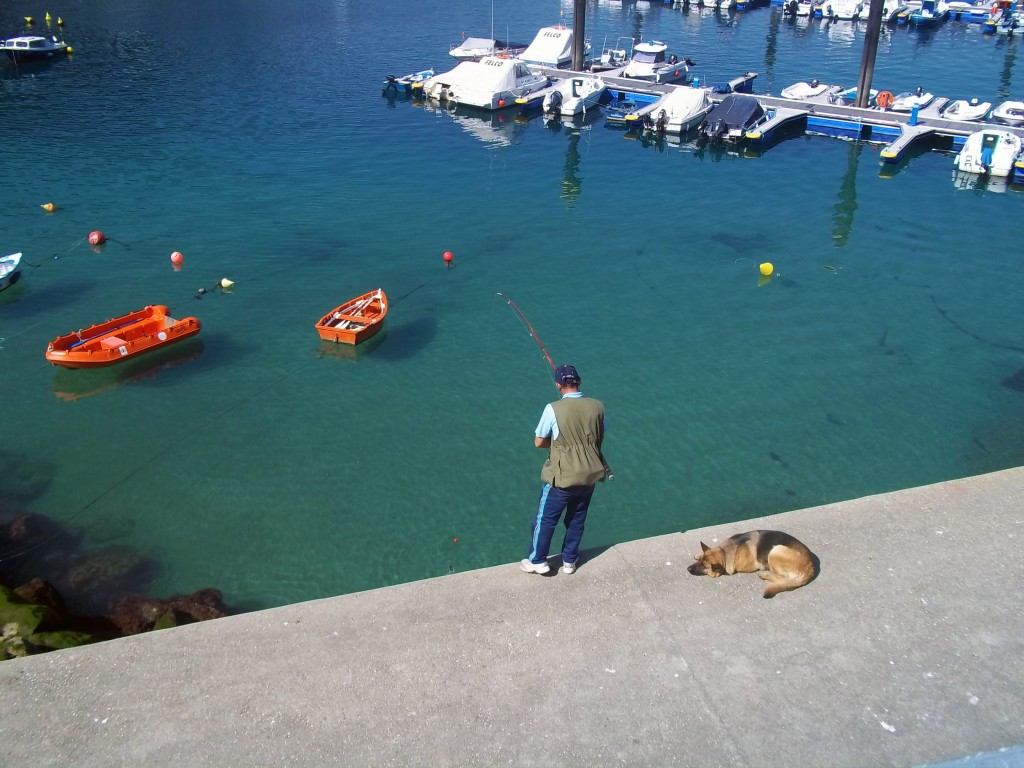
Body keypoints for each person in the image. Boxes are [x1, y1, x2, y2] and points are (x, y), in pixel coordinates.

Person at [520, 364, 610, 576]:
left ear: (558, 385)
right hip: (590, 474)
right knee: (577, 518)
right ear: (578, 382)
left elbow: (539, 441)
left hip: (562, 478)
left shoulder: (553, 408)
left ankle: (538, 560)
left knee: (545, 520)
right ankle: (569, 560)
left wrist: (559, 444)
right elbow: (599, 435)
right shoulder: (598, 406)